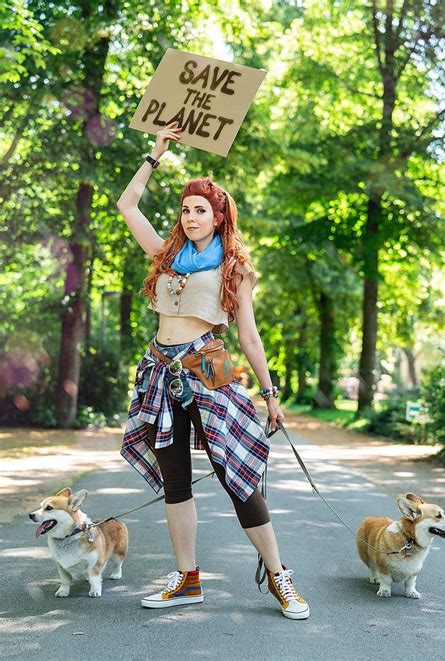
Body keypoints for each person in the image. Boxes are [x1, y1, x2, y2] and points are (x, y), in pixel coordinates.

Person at [116, 121, 309, 620]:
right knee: (175, 478)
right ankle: (187, 579)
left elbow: (248, 335)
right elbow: (126, 206)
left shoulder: (235, 268)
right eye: (185, 209)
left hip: (208, 363)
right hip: (160, 368)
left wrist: (270, 394)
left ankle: (278, 576)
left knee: (235, 473)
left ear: (219, 216)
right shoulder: (166, 255)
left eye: (201, 209)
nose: (191, 215)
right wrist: (154, 155)